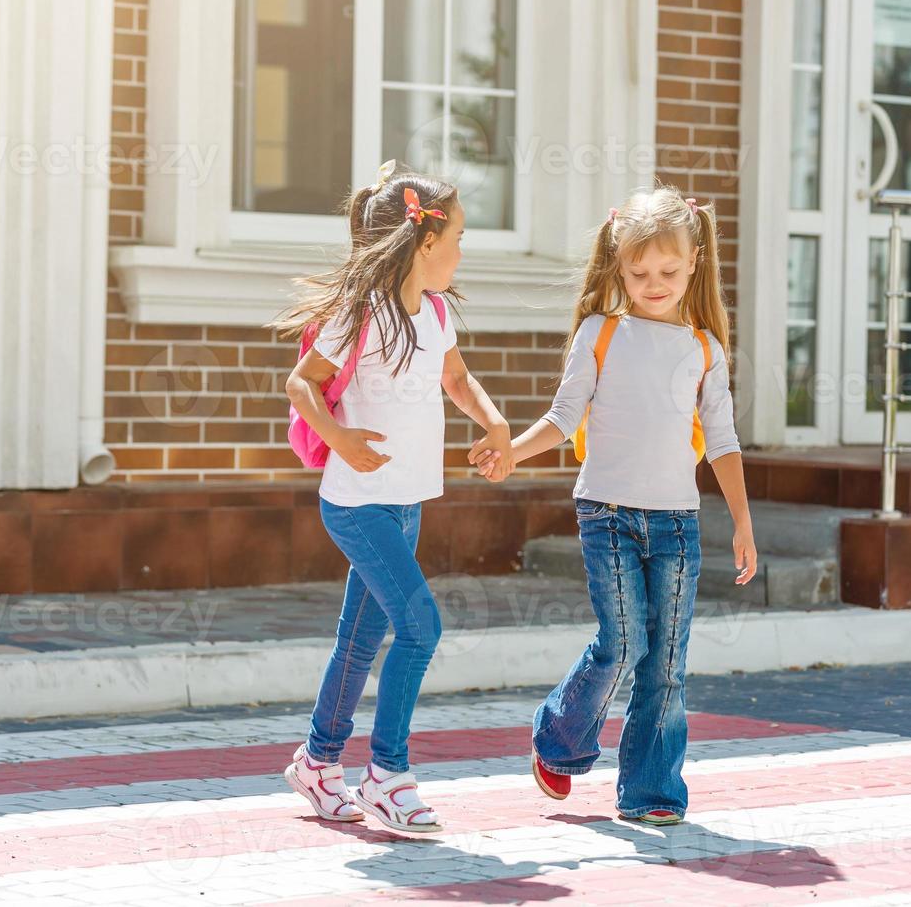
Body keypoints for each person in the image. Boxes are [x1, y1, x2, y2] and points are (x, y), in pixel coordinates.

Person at [474, 187, 758, 826]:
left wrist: (741, 520)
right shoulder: (600, 334)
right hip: (606, 515)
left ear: (693, 265)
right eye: (638, 273)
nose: (653, 284)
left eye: (667, 271)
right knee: (624, 641)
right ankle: (560, 736)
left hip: (679, 526)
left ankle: (652, 792)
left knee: (668, 662)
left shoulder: (705, 348)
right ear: (618, 267)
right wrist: (513, 452)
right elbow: (563, 415)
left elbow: (723, 441)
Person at [280, 162, 514, 834]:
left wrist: (493, 420)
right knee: (420, 628)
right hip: (356, 502)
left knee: (361, 640)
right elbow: (302, 384)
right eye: (460, 237)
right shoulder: (364, 315)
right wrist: (340, 437)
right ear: (423, 243)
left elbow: (458, 378)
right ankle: (388, 776)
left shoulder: (435, 313)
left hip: (407, 501)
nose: (464, 251)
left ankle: (318, 763)